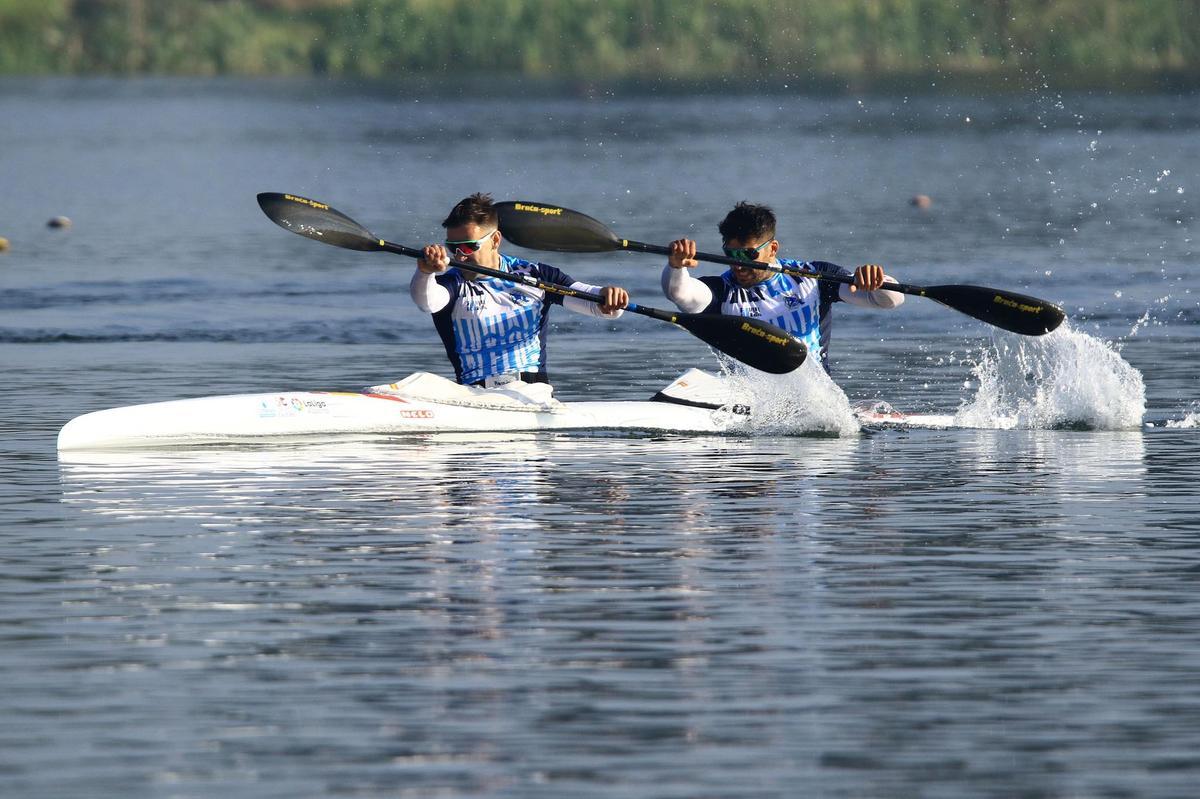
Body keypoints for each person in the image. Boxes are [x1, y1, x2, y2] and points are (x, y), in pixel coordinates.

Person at [410, 193, 630, 387]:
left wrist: (610, 297)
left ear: (495, 240)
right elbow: (426, 302)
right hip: (473, 397)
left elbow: (599, 306)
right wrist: (425, 272)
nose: (460, 256)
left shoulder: (535, 276)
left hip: (531, 395)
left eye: (469, 246)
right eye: (453, 248)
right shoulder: (453, 284)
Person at [663, 201, 903, 372]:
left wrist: (877, 283)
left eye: (748, 255)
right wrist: (676, 266)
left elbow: (889, 301)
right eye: (730, 254)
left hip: (815, 401)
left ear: (773, 249)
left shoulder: (813, 279)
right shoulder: (720, 292)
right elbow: (679, 293)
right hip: (750, 402)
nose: (738, 265)